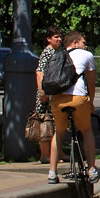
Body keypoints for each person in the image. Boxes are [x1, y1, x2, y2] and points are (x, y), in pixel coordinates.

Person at [47, 30, 100, 186]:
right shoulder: (87, 55)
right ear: (75, 43)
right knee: (86, 130)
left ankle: (52, 172)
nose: (86, 45)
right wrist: (91, 103)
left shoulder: (56, 55)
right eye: (83, 42)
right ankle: (91, 169)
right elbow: (91, 83)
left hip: (57, 100)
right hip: (78, 100)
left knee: (59, 132)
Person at [33, 26, 63, 164]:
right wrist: (42, 93)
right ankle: (45, 155)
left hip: (54, 94)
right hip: (45, 95)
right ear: (49, 39)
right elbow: (39, 72)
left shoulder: (58, 52)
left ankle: (58, 153)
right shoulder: (47, 52)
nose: (59, 39)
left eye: (60, 37)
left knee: (57, 124)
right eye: (56, 37)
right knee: (45, 123)